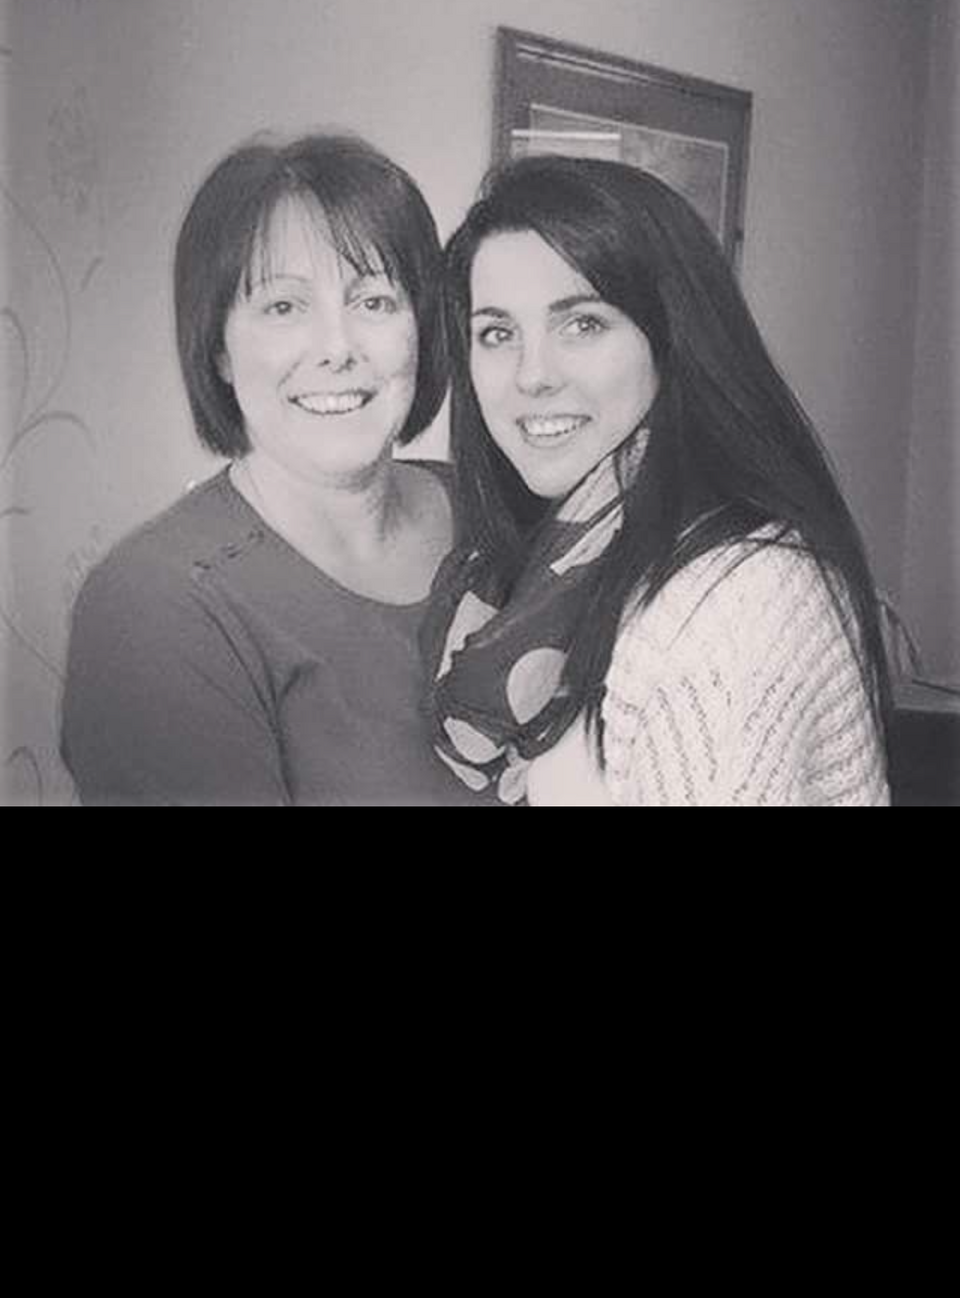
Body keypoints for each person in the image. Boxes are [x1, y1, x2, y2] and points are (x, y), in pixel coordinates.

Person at [421, 155, 891, 807]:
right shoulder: (536, 564)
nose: (532, 374)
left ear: (672, 338)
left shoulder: (735, 603)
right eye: (497, 331)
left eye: (582, 322)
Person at [62, 132, 491, 806]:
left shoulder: (495, 510)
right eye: (283, 306)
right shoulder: (154, 609)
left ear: (422, 325)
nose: (337, 348)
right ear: (221, 349)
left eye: (374, 300)